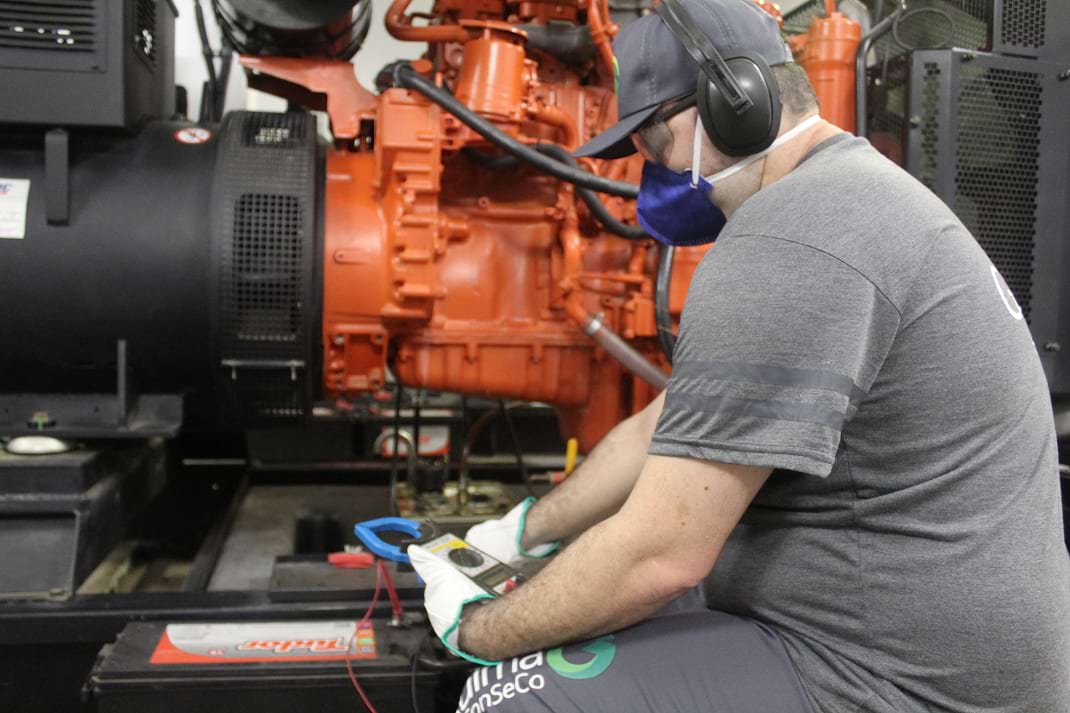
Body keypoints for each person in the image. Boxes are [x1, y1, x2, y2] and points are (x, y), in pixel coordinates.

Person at [408, 0, 1070, 711]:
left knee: (506, 694)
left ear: (731, 104)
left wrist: (476, 627)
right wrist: (520, 533)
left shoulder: (789, 235)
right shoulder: (848, 193)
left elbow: (660, 554)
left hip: (896, 683)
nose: (653, 170)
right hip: (904, 643)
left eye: (655, 143)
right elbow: (666, 424)